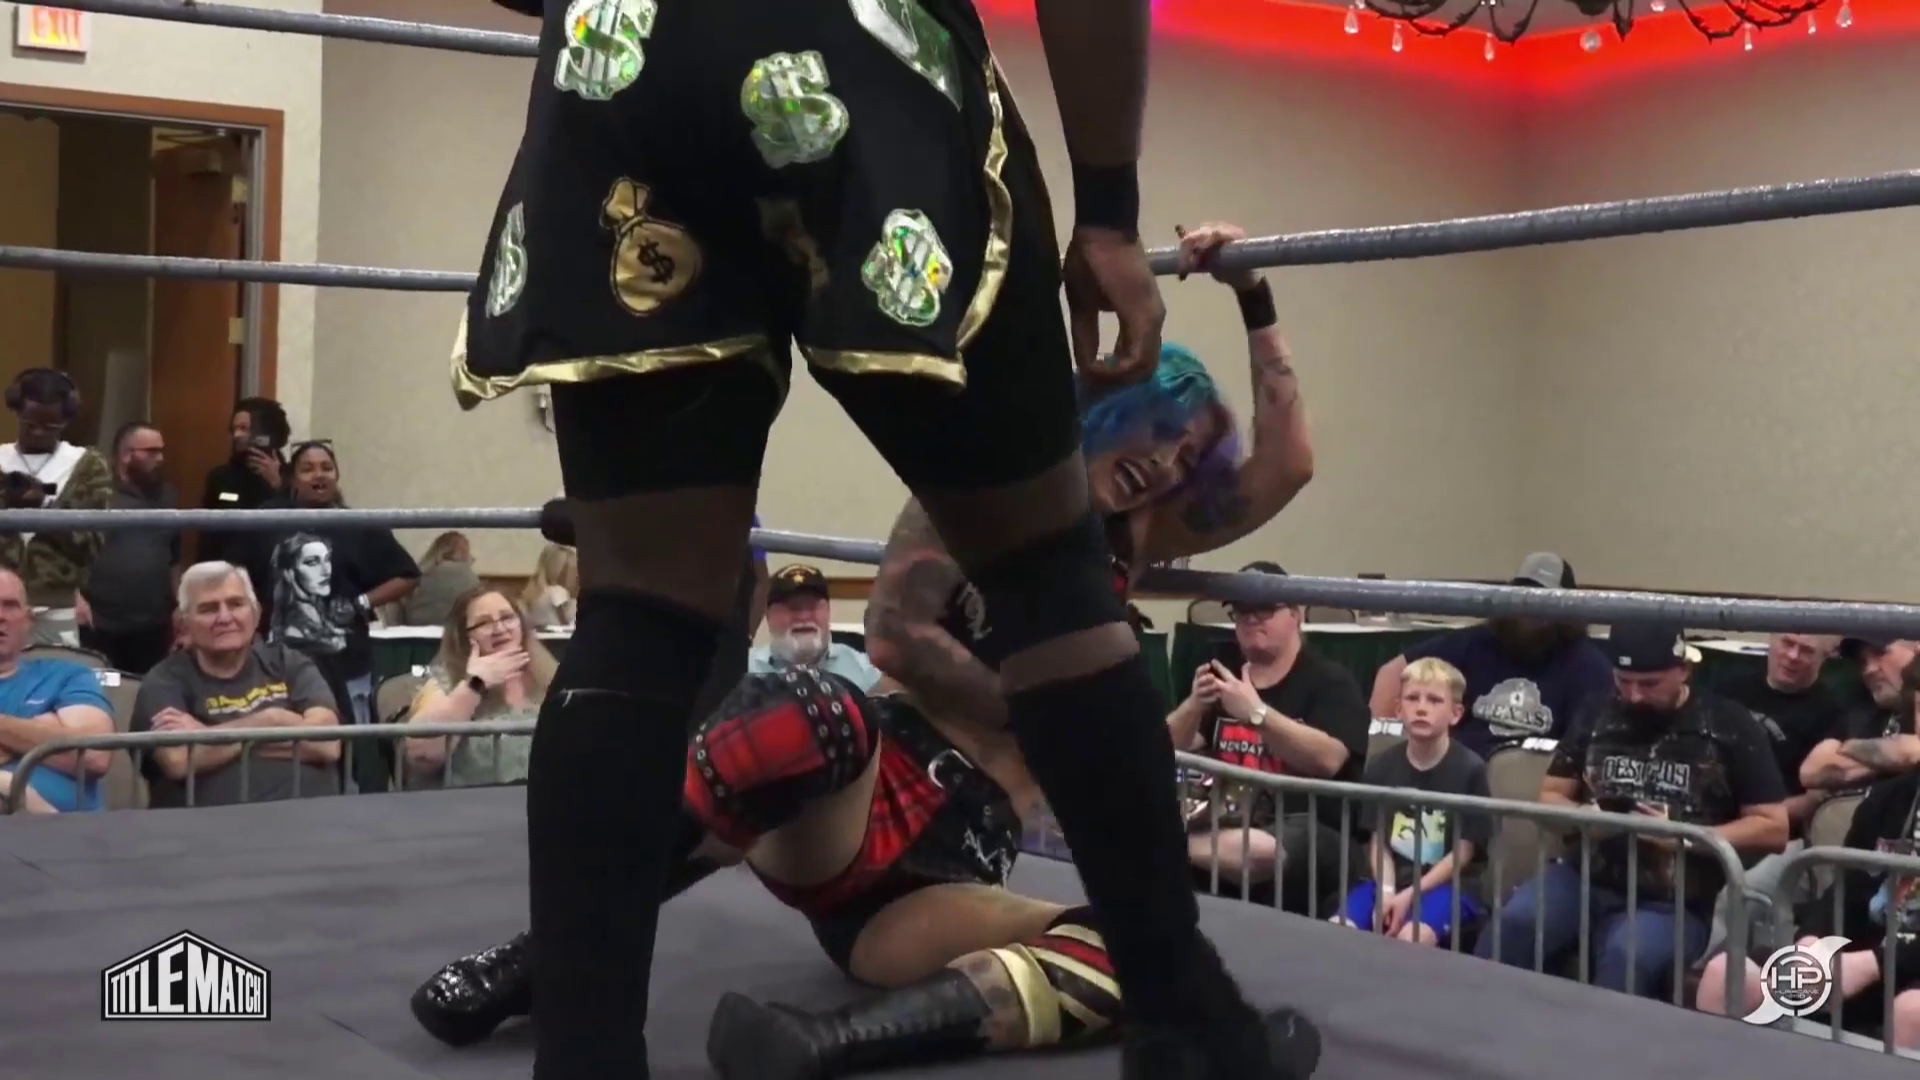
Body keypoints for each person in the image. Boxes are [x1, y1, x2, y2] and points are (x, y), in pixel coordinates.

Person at [458, 0, 1299, 1068]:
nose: (1166, 465)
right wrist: (1107, 210)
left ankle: (597, 1046)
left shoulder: (1162, 512)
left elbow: (1280, 470)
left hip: (625, 62)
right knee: (1041, 589)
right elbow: (904, 630)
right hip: (869, 52)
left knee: (638, 622)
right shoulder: (1022, 516)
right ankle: (1190, 1026)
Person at [414, 666, 1319, 1080]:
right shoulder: (976, 532)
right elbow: (892, 629)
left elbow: (1275, 471)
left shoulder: (1101, 600)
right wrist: (1039, 692)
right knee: (811, 708)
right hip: (863, 791)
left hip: (938, 886)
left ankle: (823, 1044)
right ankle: (541, 957)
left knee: (1138, 944)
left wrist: (1261, 330)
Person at [1473, 623, 1789, 999]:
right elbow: (1550, 796)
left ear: (1683, 670)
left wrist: (1684, 837)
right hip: (1583, 876)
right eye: (1624, 681)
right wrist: (1584, 817)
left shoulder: (1729, 724)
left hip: (1675, 900)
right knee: (1516, 923)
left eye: (1650, 684)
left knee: (1626, 954)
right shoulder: (1596, 710)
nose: (1635, 696)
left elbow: (1773, 827)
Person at [1695, 658, 1920, 1046]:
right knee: (1728, 973)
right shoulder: (1891, 799)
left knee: (1912, 1010)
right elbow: (1846, 889)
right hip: (1867, 961)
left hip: (1897, 971)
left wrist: (1876, 963)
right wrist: (1814, 941)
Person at [1367, 554, 1614, 758]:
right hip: (1457, 774)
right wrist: (1392, 753)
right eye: (1521, 596)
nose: (1527, 609)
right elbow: (1393, 673)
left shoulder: (1587, 667)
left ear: (1566, 609)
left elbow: (1584, 751)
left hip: (1529, 781)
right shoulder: (1479, 642)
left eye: (1541, 600)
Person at [1331, 657, 1489, 947]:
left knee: (1409, 939)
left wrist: (1410, 895)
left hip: (1449, 887)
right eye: (1412, 698)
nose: (1421, 708)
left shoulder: (1471, 769)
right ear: (1398, 709)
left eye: (1434, 700)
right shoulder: (1380, 766)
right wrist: (1387, 891)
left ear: (1455, 714)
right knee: (1338, 930)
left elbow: (1463, 852)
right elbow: (1379, 841)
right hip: (1390, 880)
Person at [0, 367, 113, 646]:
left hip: (56, 606)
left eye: (50, 426)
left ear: (66, 419)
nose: (38, 432)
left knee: (57, 671)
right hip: (1, 602)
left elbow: (92, 542)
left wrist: (45, 511)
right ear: (16, 410)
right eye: (30, 424)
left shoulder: (87, 466)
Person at [404, 587, 555, 787]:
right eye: (484, 623)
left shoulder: (550, 675)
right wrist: (475, 684)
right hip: (471, 802)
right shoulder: (444, 681)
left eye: (507, 617)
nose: (500, 629)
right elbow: (423, 755)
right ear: (463, 636)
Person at [198, 397, 290, 566]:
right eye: (234, 429)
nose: (237, 435)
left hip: (276, 569)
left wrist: (278, 485)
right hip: (229, 570)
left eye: (244, 428)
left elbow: (300, 528)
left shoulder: (292, 476)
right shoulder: (220, 477)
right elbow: (207, 536)